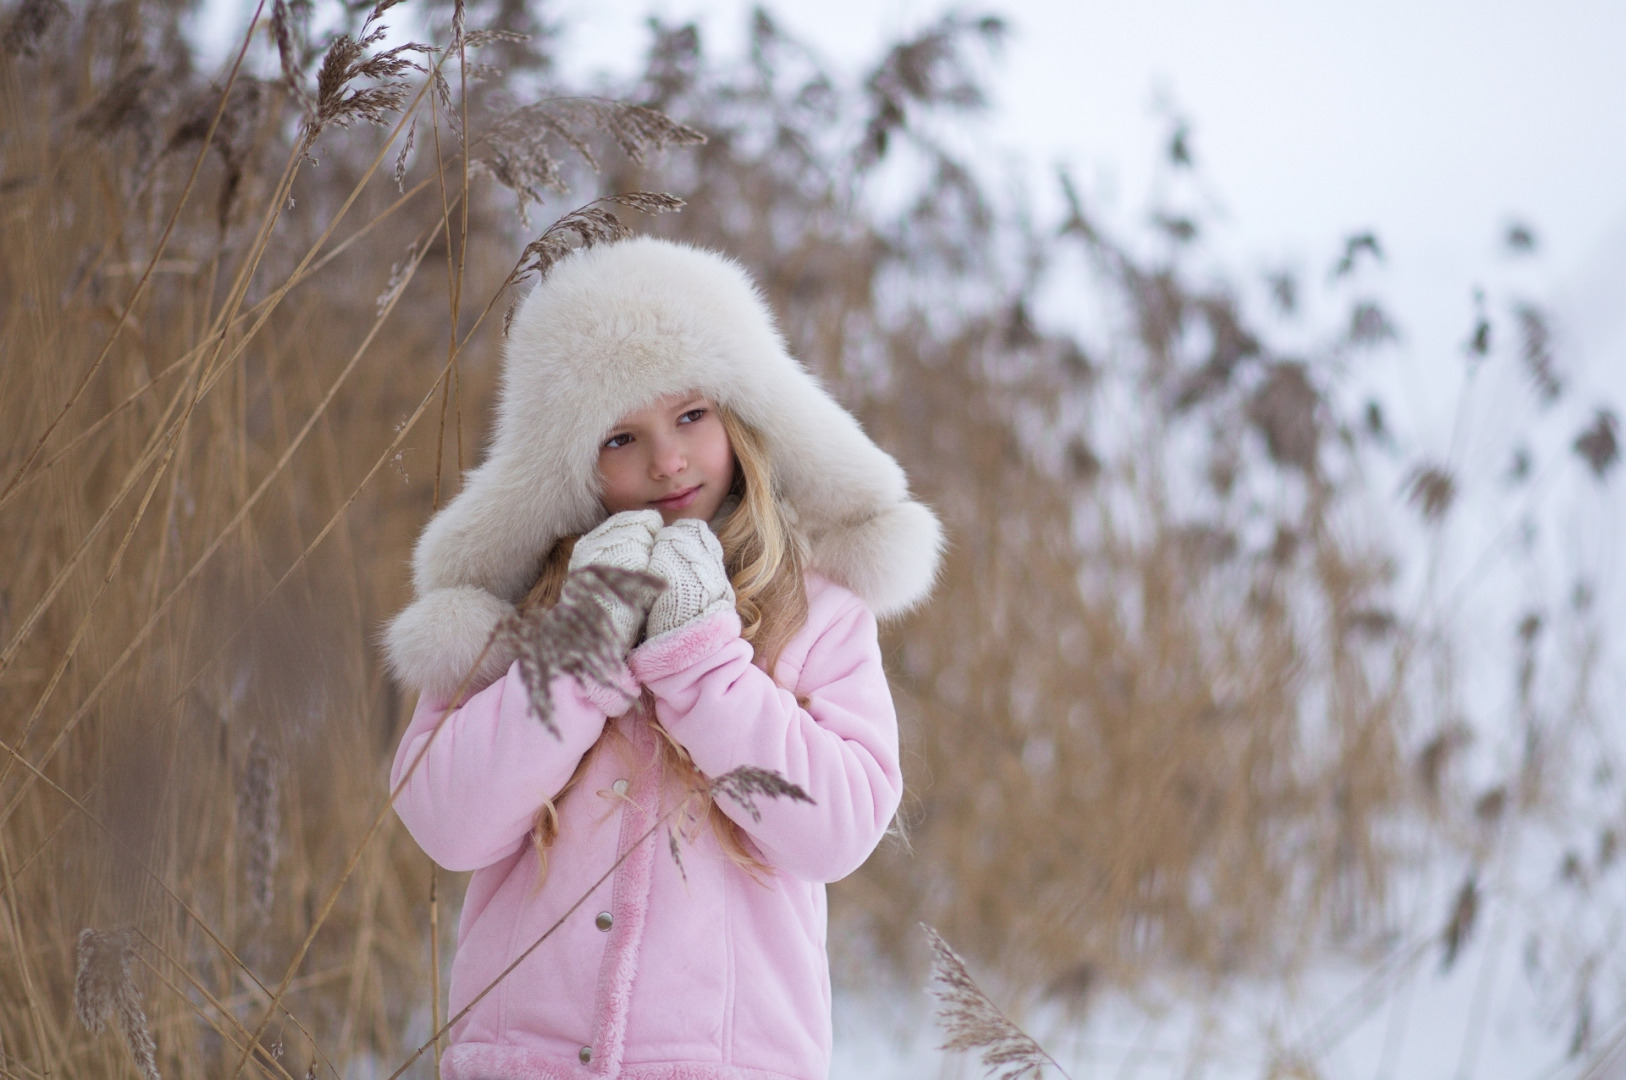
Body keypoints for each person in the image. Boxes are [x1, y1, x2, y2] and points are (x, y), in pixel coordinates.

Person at [383, 237, 942, 1080]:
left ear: (744, 415)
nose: (667, 459)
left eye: (691, 416)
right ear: (566, 467)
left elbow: (838, 829)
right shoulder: (516, 619)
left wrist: (704, 666)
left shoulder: (817, 611)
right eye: (619, 437)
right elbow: (449, 824)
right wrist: (577, 646)